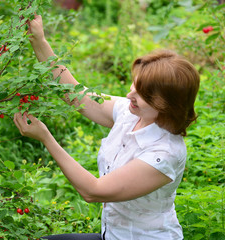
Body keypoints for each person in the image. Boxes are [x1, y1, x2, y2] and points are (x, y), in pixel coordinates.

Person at [13, 15, 200, 240]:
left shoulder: (165, 153)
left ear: (166, 104)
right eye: (135, 84)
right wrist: (39, 40)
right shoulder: (132, 112)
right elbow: (77, 96)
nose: (130, 94)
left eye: (141, 93)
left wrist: (46, 138)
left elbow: (93, 191)